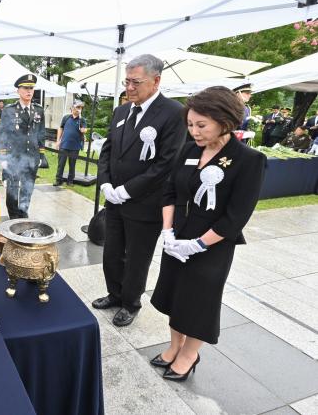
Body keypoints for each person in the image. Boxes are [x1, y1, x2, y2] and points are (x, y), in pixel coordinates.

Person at [150, 86, 266, 381]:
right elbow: (171, 192)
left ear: (224, 120)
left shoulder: (248, 160)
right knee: (173, 295)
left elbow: (236, 217)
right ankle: (174, 346)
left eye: (201, 125)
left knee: (198, 301)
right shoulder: (189, 150)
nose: (194, 132)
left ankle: (190, 354)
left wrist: (198, 244)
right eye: (190, 124)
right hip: (178, 238)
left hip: (212, 245)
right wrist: (168, 233)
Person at [92, 54, 186, 327]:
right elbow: (107, 151)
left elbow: (166, 163)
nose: (129, 88)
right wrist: (106, 183)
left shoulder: (173, 113)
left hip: (144, 202)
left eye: (136, 82)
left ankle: (131, 302)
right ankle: (114, 293)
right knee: (112, 252)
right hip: (114, 199)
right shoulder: (122, 111)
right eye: (126, 81)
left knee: (136, 256)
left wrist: (127, 191)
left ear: (156, 81)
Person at [0, 74, 45, 219]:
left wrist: (41, 155)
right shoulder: (9, 110)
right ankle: (13, 219)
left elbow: (41, 133)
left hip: (31, 157)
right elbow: (2, 134)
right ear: (18, 90)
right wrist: (3, 156)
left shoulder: (38, 110)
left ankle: (23, 215)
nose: (29, 91)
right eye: (25, 88)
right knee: (12, 190)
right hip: (14, 158)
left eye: (31, 88)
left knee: (27, 189)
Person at [53, 99, 87, 186]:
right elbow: (61, 128)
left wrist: (83, 130)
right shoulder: (66, 117)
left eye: (80, 108)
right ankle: (58, 179)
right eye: (77, 107)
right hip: (64, 145)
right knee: (61, 164)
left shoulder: (82, 120)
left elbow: (84, 129)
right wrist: (58, 141)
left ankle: (70, 181)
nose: (79, 109)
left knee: (72, 165)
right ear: (72, 108)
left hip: (75, 147)